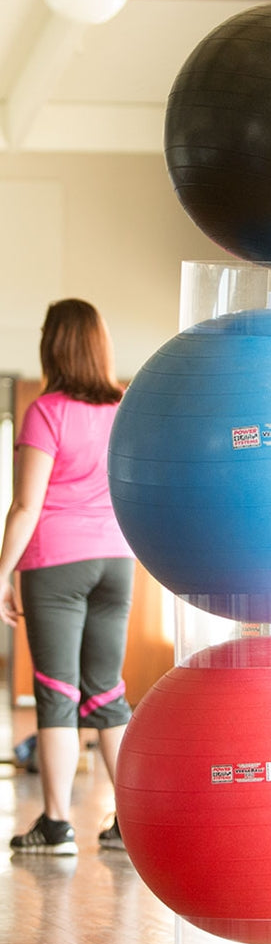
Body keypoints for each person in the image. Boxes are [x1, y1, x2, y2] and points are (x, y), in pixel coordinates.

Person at [0, 298, 135, 856]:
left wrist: (1, 570)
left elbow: (26, 505)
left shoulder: (46, 410)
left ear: (53, 343)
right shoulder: (125, 407)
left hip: (56, 561)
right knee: (107, 693)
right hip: (117, 560)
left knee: (56, 693)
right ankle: (131, 823)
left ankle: (55, 825)